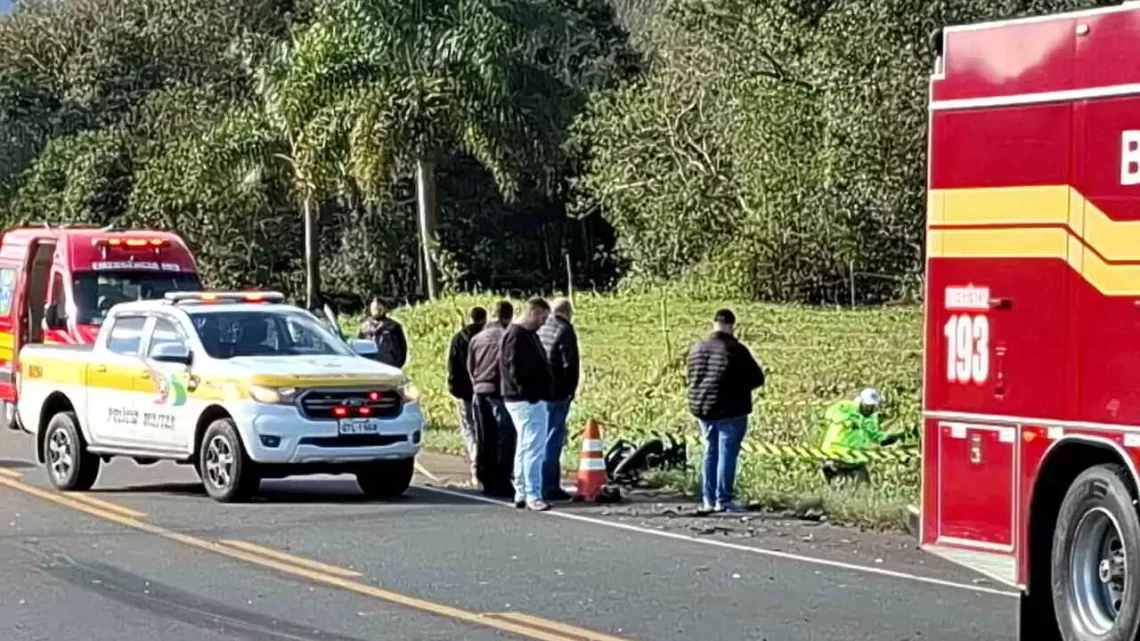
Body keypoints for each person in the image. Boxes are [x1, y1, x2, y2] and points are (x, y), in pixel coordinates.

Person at [686, 309, 765, 514]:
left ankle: (708, 499)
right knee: (727, 454)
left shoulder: (697, 348)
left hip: (703, 408)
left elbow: (691, 377)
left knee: (710, 452)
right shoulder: (735, 349)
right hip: (731, 409)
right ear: (732, 326)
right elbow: (757, 379)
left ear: (714, 323)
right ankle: (724, 499)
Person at [499, 298, 553, 511]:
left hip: (523, 398)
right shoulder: (517, 336)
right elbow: (515, 369)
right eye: (542, 316)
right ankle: (533, 493)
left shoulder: (525, 335)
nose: (544, 321)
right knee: (533, 447)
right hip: (526, 399)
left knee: (524, 446)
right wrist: (531, 394)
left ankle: (521, 490)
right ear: (533, 312)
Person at [467, 301, 517, 497]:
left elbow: (470, 367)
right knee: (505, 437)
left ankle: (486, 479)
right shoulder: (506, 337)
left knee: (484, 437)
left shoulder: (477, 338)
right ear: (508, 317)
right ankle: (502, 480)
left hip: (479, 390)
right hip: (498, 391)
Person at [537, 297, 579, 501]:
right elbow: (569, 364)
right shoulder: (565, 331)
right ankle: (550, 486)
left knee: (539, 438)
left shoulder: (542, 328)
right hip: (558, 393)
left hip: (539, 392)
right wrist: (571, 390)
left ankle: (536, 483)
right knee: (553, 439)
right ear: (568, 313)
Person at [819, 387, 903, 484]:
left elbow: (874, 435)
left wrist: (889, 438)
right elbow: (829, 413)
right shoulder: (847, 406)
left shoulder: (871, 419)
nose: (870, 409)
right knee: (839, 485)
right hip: (836, 453)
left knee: (864, 486)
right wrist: (848, 419)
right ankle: (829, 470)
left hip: (855, 459)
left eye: (872, 406)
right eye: (868, 406)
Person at [447, 306, 487, 486]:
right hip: (484, 388)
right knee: (483, 426)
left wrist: (453, 386)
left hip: (464, 391)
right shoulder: (487, 337)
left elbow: (452, 365)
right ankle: (482, 459)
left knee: (468, 427)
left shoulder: (458, 339)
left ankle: (474, 457)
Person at [358, 296, 408, 368]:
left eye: (379, 308)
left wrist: (398, 364)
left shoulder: (393, 327)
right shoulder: (364, 328)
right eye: (375, 309)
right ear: (370, 309)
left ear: (385, 308)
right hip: (370, 367)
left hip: (390, 366)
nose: (377, 311)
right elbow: (359, 348)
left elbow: (402, 348)